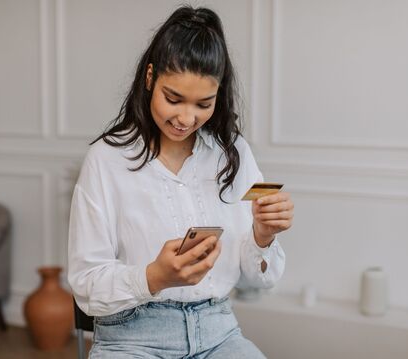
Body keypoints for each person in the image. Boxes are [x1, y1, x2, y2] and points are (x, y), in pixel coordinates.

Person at [68, 5, 294, 358]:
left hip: (219, 332)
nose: (186, 119)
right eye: (173, 99)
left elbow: (261, 279)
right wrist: (153, 277)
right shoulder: (106, 159)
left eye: (203, 104)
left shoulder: (234, 153)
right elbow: (85, 284)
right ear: (149, 78)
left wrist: (263, 236)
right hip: (132, 339)